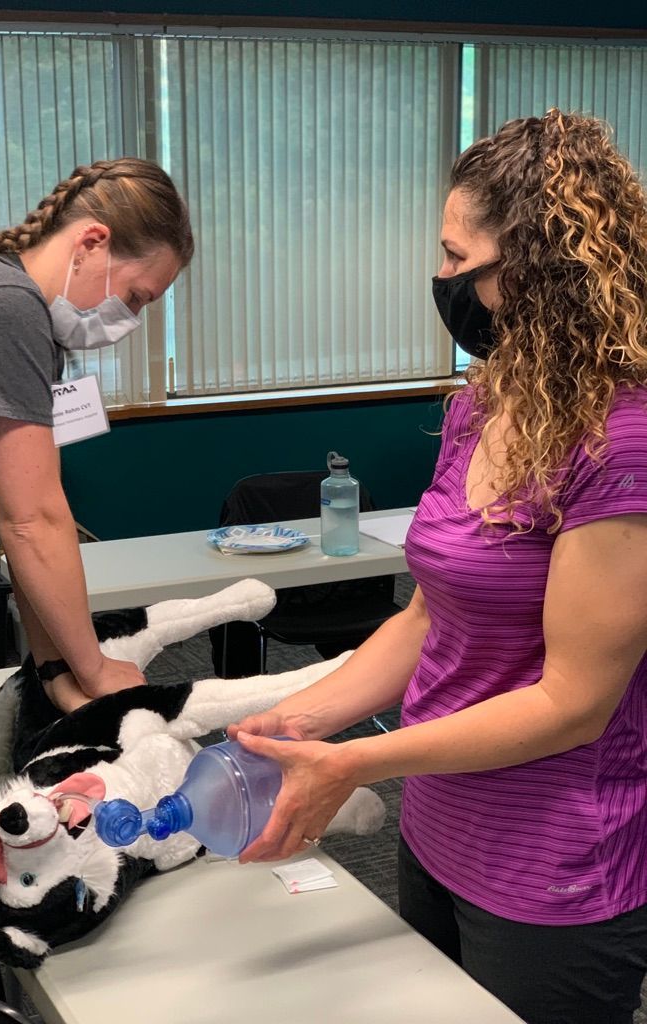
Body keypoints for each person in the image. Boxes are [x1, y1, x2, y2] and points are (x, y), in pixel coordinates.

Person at [228, 110, 647, 1024]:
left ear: (540, 268)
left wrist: (360, 761)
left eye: (460, 260)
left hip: (554, 865)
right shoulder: (486, 404)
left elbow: (575, 703)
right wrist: (300, 718)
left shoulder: (623, 440)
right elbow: (428, 620)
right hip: (441, 821)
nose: (443, 280)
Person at [0, 157, 193, 1022]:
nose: (131, 319)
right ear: (92, 242)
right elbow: (33, 522)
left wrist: (62, 666)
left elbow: (24, 526)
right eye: (138, 295)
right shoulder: (1, 309)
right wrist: (96, 674)